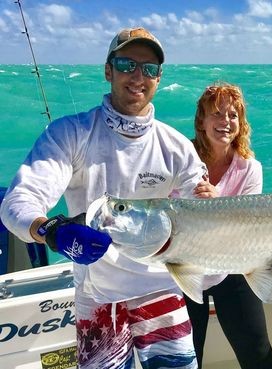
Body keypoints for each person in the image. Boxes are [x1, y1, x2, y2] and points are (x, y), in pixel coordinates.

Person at [0, 27, 205, 369]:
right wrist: (50, 229)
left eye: (150, 68)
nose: (138, 76)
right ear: (108, 70)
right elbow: (18, 202)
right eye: (127, 64)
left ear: (159, 78)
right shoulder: (70, 134)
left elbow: (204, 210)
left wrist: (269, 252)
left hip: (161, 289)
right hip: (98, 297)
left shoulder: (177, 147)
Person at [184, 83, 272, 369]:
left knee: (258, 354)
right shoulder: (182, 158)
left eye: (233, 115)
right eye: (216, 114)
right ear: (201, 120)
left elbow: (248, 226)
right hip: (184, 270)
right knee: (185, 358)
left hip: (232, 268)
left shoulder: (250, 168)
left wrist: (217, 200)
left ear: (241, 123)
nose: (225, 122)